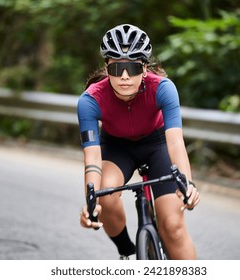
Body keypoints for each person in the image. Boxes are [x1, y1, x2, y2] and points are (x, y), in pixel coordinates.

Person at [77, 24, 200, 260]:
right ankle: (127, 250)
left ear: (144, 68)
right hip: (117, 147)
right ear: (107, 68)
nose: (124, 76)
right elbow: (92, 159)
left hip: (158, 145)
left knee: (173, 226)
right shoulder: (90, 100)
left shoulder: (163, 88)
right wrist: (91, 203)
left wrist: (188, 184)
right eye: (117, 68)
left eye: (132, 68)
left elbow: (175, 143)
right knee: (105, 196)